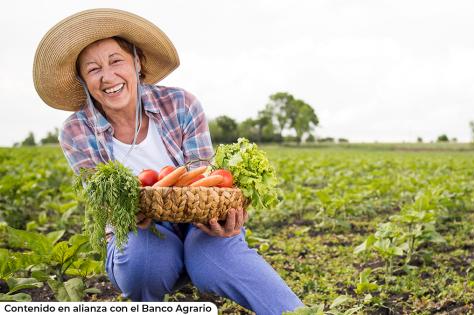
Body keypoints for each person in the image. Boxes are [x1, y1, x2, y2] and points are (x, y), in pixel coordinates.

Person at [33, 8, 303, 314]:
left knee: (217, 261)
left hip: (199, 223)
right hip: (139, 233)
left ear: (136, 62)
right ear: (82, 79)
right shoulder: (76, 131)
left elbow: (207, 182)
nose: (108, 77)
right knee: (143, 264)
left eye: (116, 61)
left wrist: (226, 217)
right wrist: (127, 214)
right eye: (93, 69)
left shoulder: (181, 104)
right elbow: (105, 203)